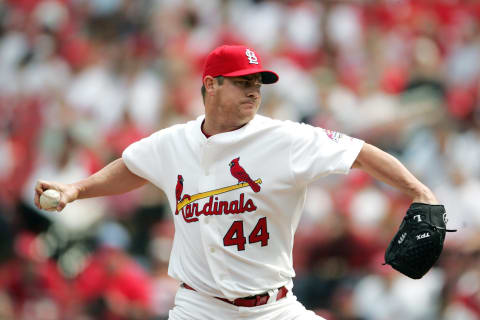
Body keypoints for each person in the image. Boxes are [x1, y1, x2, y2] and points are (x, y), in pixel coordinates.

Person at [35, 45, 440, 320]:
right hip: (200, 307)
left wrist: (421, 192)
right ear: (211, 85)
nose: (254, 91)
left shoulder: (285, 138)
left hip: (273, 308)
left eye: (257, 84)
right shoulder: (174, 142)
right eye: (243, 82)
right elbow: (131, 165)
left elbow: (362, 153)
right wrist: (76, 190)